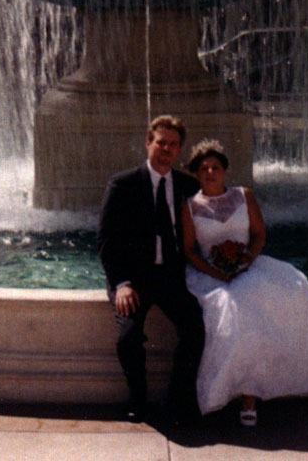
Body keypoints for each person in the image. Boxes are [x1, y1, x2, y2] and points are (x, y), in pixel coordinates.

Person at [181, 139, 308, 426]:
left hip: (247, 266)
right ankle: (228, 390)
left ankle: (249, 395)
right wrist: (216, 272)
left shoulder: (244, 196)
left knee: (290, 294)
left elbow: (258, 235)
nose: (210, 173)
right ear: (196, 174)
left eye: (216, 167)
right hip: (208, 274)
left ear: (225, 171)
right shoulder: (189, 207)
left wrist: (245, 260)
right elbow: (190, 250)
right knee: (230, 306)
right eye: (204, 169)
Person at [97, 114, 205, 423]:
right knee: (128, 338)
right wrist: (121, 283)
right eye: (161, 143)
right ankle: (138, 400)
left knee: (195, 328)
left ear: (179, 149)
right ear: (148, 143)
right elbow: (106, 239)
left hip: (170, 278)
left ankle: (177, 400)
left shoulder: (188, 185)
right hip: (134, 280)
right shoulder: (123, 184)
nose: (167, 149)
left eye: (173, 145)